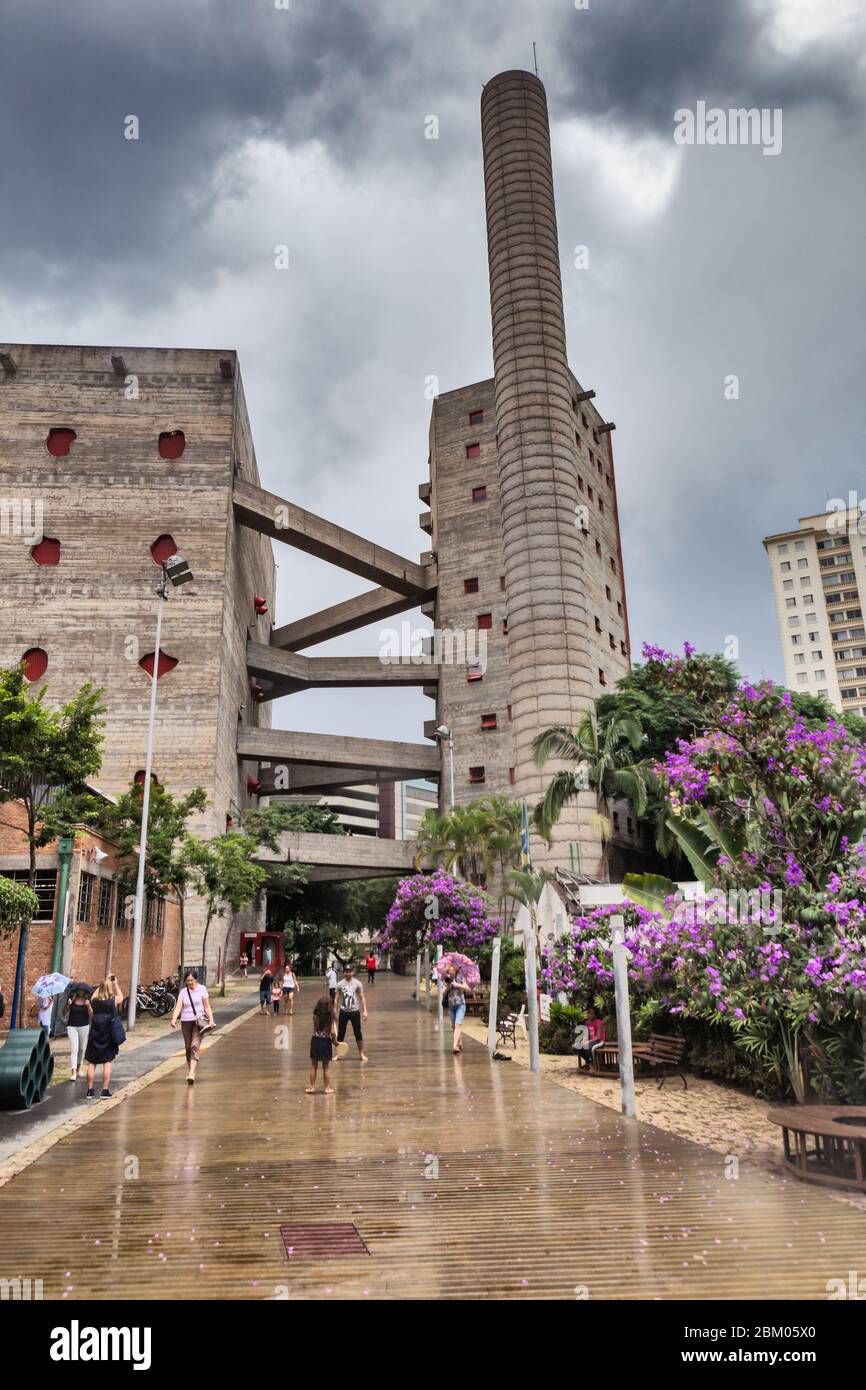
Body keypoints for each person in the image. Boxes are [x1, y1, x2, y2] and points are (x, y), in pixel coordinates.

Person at [170, 968, 215, 1085]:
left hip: (198, 1022)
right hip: (186, 1022)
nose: (190, 983)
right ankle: (191, 1071)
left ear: (196, 980)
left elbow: (207, 1006)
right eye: (188, 981)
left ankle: (192, 1073)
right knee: (188, 1047)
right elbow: (179, 1007)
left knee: (195, 1045)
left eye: (191, 980)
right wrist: (174, 1019)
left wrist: (211, 1019)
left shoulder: (202, 989)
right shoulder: (183, 992)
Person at [84, 978, 123, 1099]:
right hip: (108, 1034)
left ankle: (90, 1090)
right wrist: (115, 984)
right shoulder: (112, 1001)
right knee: (107, 1062)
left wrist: (103, 983)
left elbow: (95, 995)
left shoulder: (94, 1001)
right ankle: (104, 1090)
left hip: (95, 1034)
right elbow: (121, 996)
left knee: (92, 1062)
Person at [334, 962, 368, 1063]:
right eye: (346, 971)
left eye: (350, 971)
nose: (348, 973)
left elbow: (362, 998)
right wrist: (334, 1012)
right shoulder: (339, 984)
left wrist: (365, 1010)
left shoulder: (358, 983)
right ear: (344, 972)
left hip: (354, 1011)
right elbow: (336, 999)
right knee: (341, 1033)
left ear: (353, 972)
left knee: (358, 1033)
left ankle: (361, 1053)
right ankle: (338, 1054)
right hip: (343, 1011)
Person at [306, 995, 336, 1094]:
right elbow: (333, 1032)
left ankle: (311, 1087)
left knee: (313, 1065)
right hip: (325, 1041)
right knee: (326, 1066)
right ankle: (327, 1088)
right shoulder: (331, 1017)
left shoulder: (315, 1016)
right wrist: (335, 1042)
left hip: (315, 1040)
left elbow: (315, 1029)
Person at [63, 987, 91, 1081]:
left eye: (82, 990)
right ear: (77, 991)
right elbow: (64, 1013)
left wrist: (88, 1006)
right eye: (79, 990)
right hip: (72, 1026)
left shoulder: (87, 1000)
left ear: (85, 991)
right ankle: (73, 1072)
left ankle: (79, 1069)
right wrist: (68, 1005)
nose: (81, 991)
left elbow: (92, 1016)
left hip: (84, 1026)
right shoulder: (72, 999)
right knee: (74, 1048)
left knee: (82, 1049)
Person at [442, 965, 470, 1054]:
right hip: (451, 1006)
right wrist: (447, 986)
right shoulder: (446, 980)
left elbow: (467, 988)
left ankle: (455, 1046)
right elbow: (442, 994)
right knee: (454, 1026)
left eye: (453, 970)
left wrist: (457, 984)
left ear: (456, 971)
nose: (451, 972)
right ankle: (459, 1042)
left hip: (460, 1005)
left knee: (458, 1025)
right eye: (449, 970)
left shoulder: (461, 978)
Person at [577, 1006, 606, 1071]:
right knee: (578, 1046)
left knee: (588, 1047)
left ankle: (595, 1065)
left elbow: (598, 1037)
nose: (589, 1015)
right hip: (591, 1041)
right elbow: (586, 1033)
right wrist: (583, 1040)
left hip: (599, 1041)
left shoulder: (598, 1022)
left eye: (591, 1013)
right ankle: (590, 1064)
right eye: (588, 1013)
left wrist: (588, 1042)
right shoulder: (587, 1022)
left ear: (595, 1015)